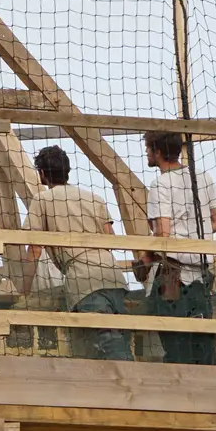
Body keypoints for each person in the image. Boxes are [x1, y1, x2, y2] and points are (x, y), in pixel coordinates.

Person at [23, 146, 131, 361]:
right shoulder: (94, 198)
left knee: (107, 346)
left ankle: (129, 388)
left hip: (84, 281)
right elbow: (110, 239)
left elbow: (34, 248)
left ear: (42, 173)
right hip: (114, 277)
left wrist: (22, 290)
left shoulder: (43, 200)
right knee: (120, 339)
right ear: (68, 170)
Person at [141, 130, 216, 366]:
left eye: (148, 148)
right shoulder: (202, 177)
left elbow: (163, 232)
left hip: (173, 274)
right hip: (201, 273)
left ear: (157, 152)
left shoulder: (160, 184)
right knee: (202, 343)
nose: (146, 152)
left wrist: (145, 255)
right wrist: (193, 233)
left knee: (175, 341)